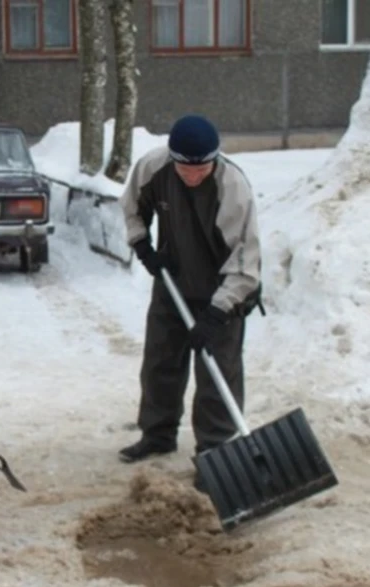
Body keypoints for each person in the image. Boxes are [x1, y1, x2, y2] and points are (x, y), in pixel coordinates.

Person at [117, 114, 263, 488]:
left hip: (223, 290)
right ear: (173, 157)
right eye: (185, 167)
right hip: (173, 283)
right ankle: (157, 434)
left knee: (217, 373)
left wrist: (216, 314)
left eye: (201, 168)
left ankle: (214, 452)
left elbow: (245, 263)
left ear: (213, 160)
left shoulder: (232, 187)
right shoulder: (154, 167)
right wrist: (142, 245)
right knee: (160, 361)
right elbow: (132, 205)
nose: (192, 175)